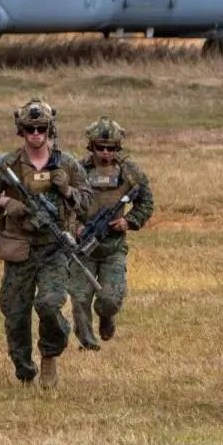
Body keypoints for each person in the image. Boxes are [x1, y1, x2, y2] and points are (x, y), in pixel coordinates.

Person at [0, 98, 92, 387]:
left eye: (41, 128)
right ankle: (25, 369)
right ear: (22, 131)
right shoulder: (7, 164)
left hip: (54, 248)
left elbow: (87, 204)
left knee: (50, 304)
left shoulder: (67, 164)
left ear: (50, 129)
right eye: (30, 129)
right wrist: (6, 203)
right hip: (20, 247)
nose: (36, 134)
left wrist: (67, 191)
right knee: (15, 315)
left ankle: (50, 354)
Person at [69, 116, 154, 349]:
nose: (105, 152)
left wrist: (129, 221)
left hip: (113, 248)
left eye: (110, 148)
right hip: (82, 248)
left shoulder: (129, 172)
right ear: (91, 146)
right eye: (100, 147)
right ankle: (87, 344)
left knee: (110, 300)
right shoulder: (77, 171)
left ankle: (106, 315)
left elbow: (146, 202)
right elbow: (64, 205)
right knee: (79, 298)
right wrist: (75, 227)